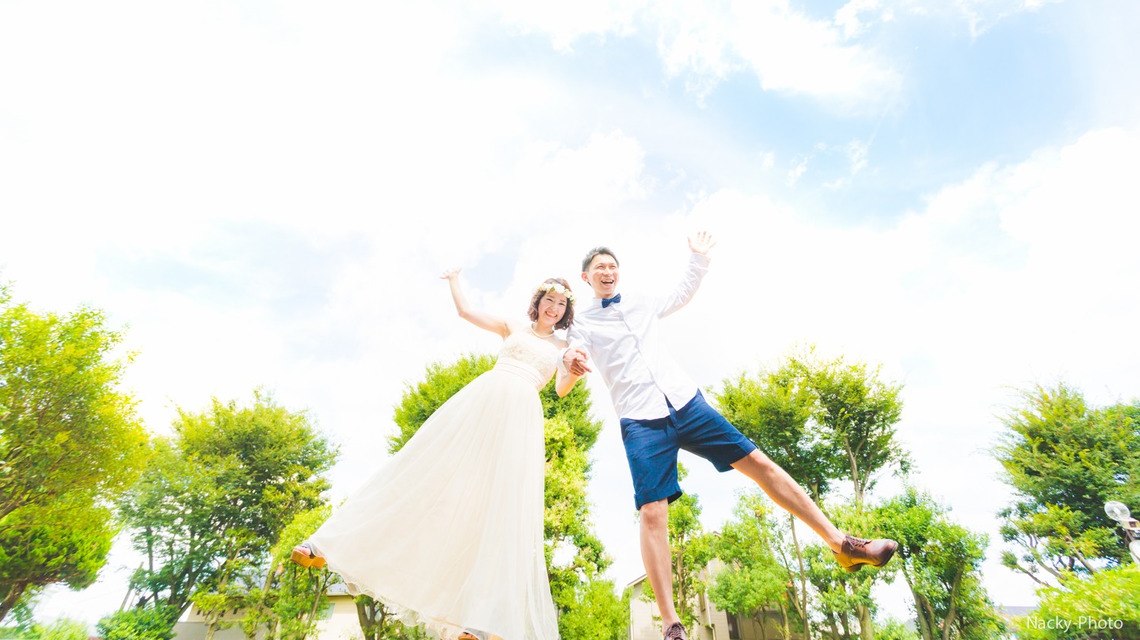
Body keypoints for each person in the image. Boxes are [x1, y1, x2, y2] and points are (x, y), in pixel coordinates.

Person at [564, 233, 898, 640]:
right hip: (640, 418)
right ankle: (671, 624)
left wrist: (698, 259)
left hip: (685, 401)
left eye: (612, 265)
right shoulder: (582, 321)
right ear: (586, 277)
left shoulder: (641, 301)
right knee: (652, 511)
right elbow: (573, 349)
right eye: (599, 267)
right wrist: (570, 357)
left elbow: (680, 294)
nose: (607, 271)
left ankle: (843, 545)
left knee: (758, 462)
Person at [292, 270, 579, 640]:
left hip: (520, 420)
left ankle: (480, 623)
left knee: (502, 511)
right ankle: (324, 544)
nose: (554, 308)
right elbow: (466, 312)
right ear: (538, 302)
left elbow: (562, 387)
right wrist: (455, 280)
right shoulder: (512, 327)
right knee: (421, 468)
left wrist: (575, 371)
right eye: (549, 300)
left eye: (561, 304)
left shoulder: (563, 347)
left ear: (566, 311)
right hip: (483, 404)